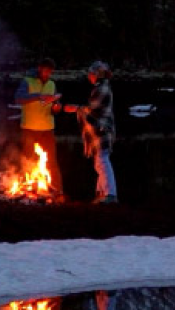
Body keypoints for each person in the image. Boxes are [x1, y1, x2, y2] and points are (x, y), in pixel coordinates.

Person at [13, 57, 63, 197]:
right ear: (40, 68)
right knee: (28, 160)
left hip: (47, 129)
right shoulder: (27, 81)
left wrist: (56, 107)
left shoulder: (52, 84)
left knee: (52, 161)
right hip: (29, 128)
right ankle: (27, 192)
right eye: (46, 70)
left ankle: (58, 192)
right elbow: (18, 98)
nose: (48, 74)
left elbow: (53, 107)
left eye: (50, 72)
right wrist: (38, 97)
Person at [73, 60, 117, 204]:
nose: (89, 76)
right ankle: (102, 193)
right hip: (100, 130)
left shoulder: (102, 88)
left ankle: (110, 194)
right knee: (99, 163)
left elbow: (92, 108)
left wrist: (76, 108)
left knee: (103, 161)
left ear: (97, 74)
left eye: (91, 74)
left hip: (102, 129)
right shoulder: (101, 87)